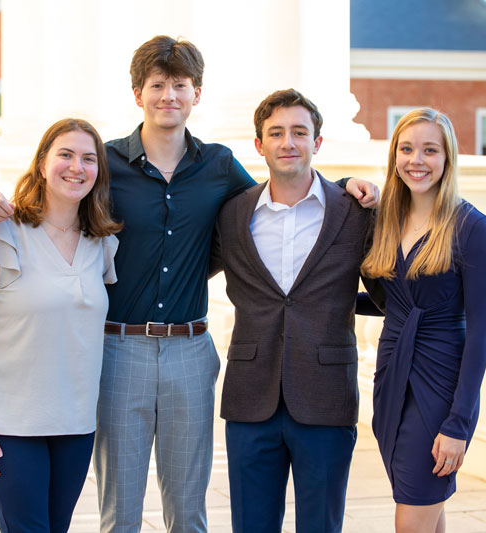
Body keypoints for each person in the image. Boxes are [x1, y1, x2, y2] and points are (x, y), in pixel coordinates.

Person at [0, 36, 378, 533]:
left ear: (197, 94)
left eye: (180, 85)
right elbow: (53, 195)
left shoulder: (217, 165)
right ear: (138, 93)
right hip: (119, 349)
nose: (169, 95)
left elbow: (279, 188)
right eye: (158, 85)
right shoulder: (106, 164)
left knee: (188, 511)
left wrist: (342, 188)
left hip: (191, 350)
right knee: (120, 511)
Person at [209, 89, 375, 533]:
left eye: (300, 132)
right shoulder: (231, 214)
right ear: (259, 145)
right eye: (276, 133)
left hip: (325, 397)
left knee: (321, 525)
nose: (288, 142)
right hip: (250, 399)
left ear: (317, 143)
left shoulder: (354, 211)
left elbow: (386, 288)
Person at [0, 118, 121, 532]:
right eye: (65, 154)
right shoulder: (0, 236)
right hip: (8, 426)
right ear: (43, 162)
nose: (76, 167)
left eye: (88, 158)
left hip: (76, 424)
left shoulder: (102, 244)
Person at [360, 108, 486, 533]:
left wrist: (459, 424)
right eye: (406, 149)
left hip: (438, 385)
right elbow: (393, 302)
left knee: (412, 515)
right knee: (424, 507)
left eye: (430, 150)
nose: (416, 160)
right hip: (391, 380)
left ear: (447, 158)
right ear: (394, 157)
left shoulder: (471, 227)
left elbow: (480, 333)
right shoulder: (385, 221)